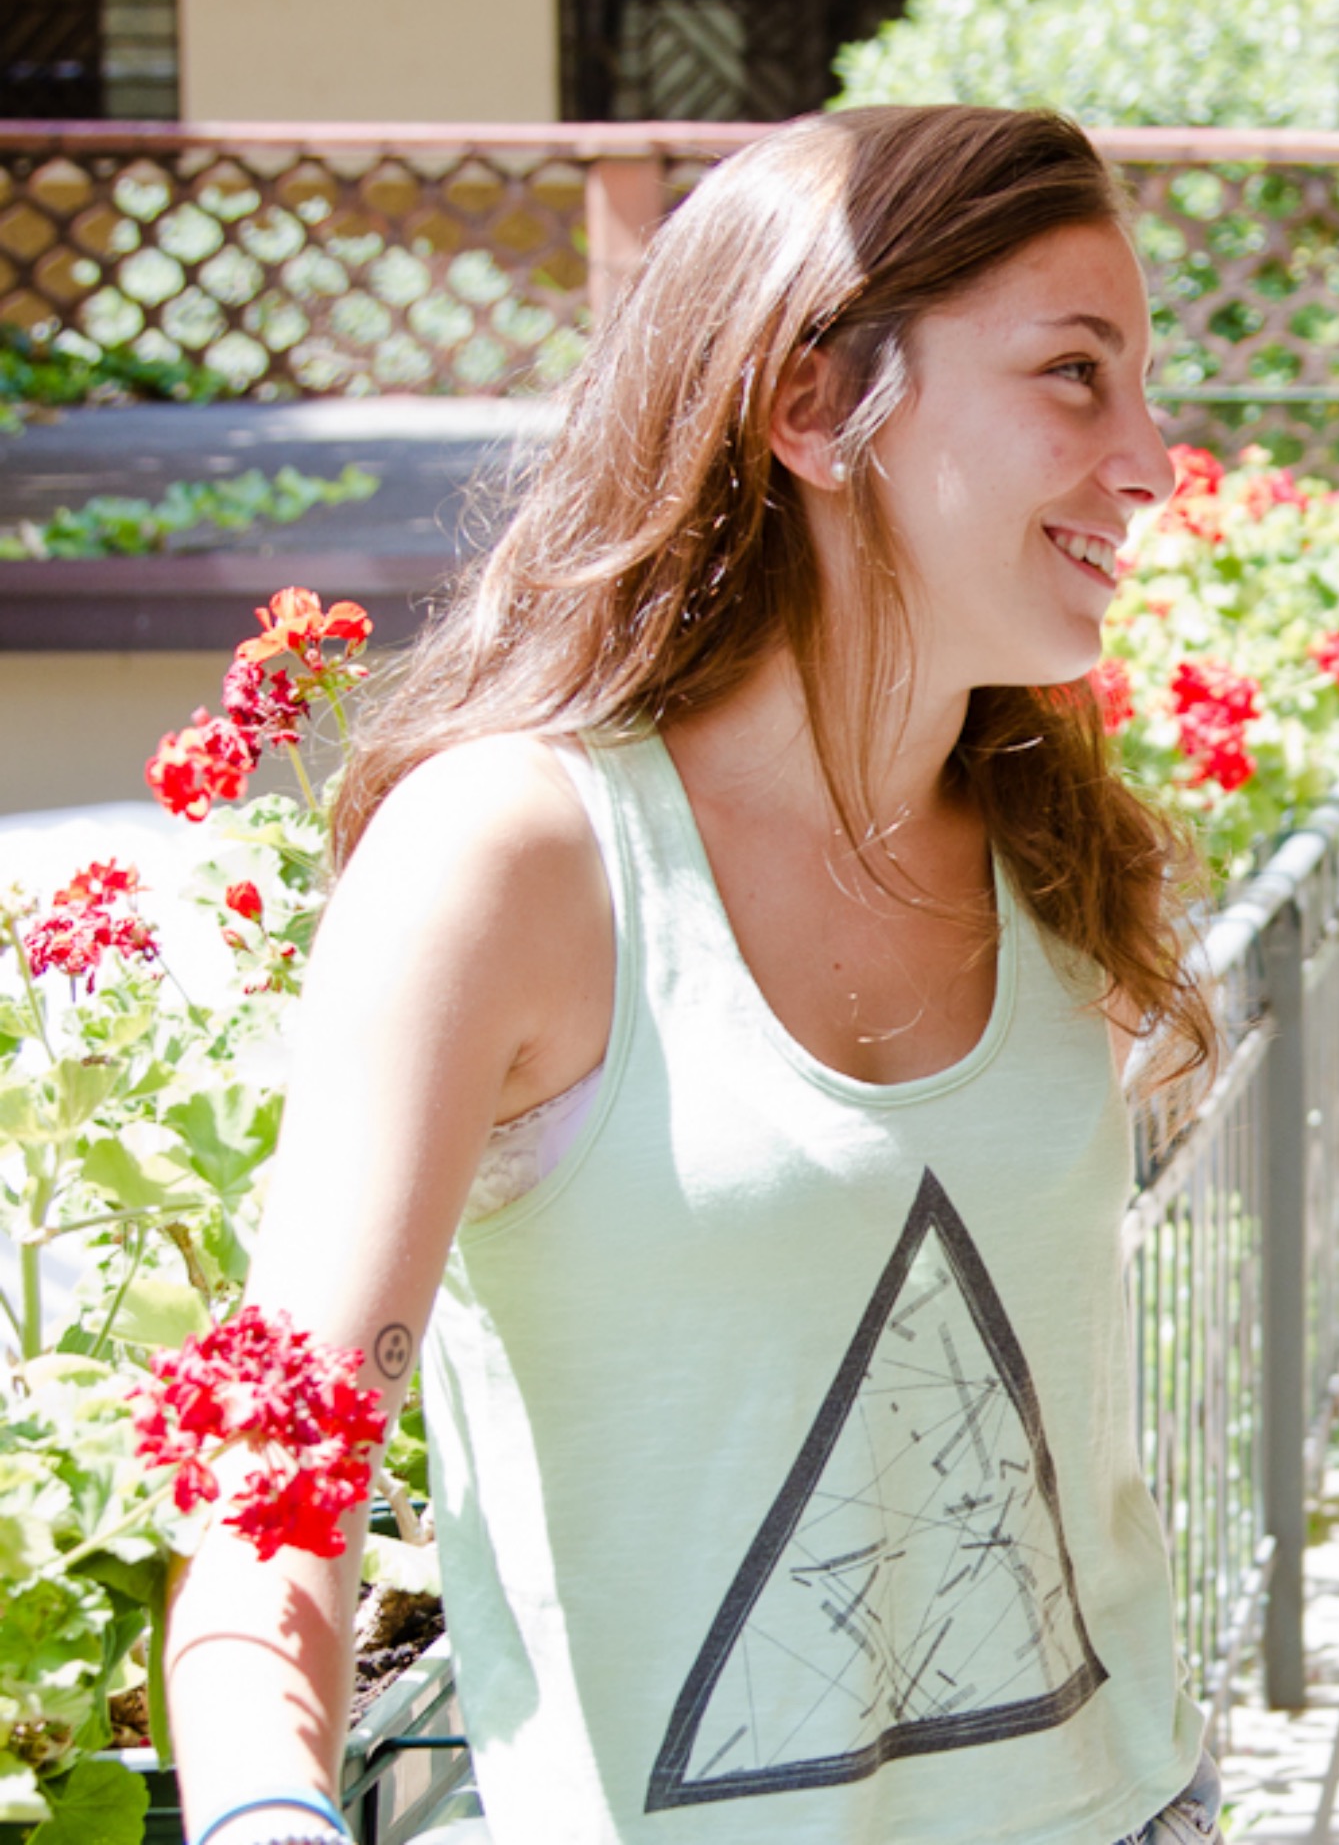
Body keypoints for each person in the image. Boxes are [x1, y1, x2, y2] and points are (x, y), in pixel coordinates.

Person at [166, 105, 1226, 1845]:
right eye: (1072, 373)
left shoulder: (1057, 863)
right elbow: (273, 1473)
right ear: (816, 404)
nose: (1151, 460)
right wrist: (265, 1807)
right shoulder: (513, 863)